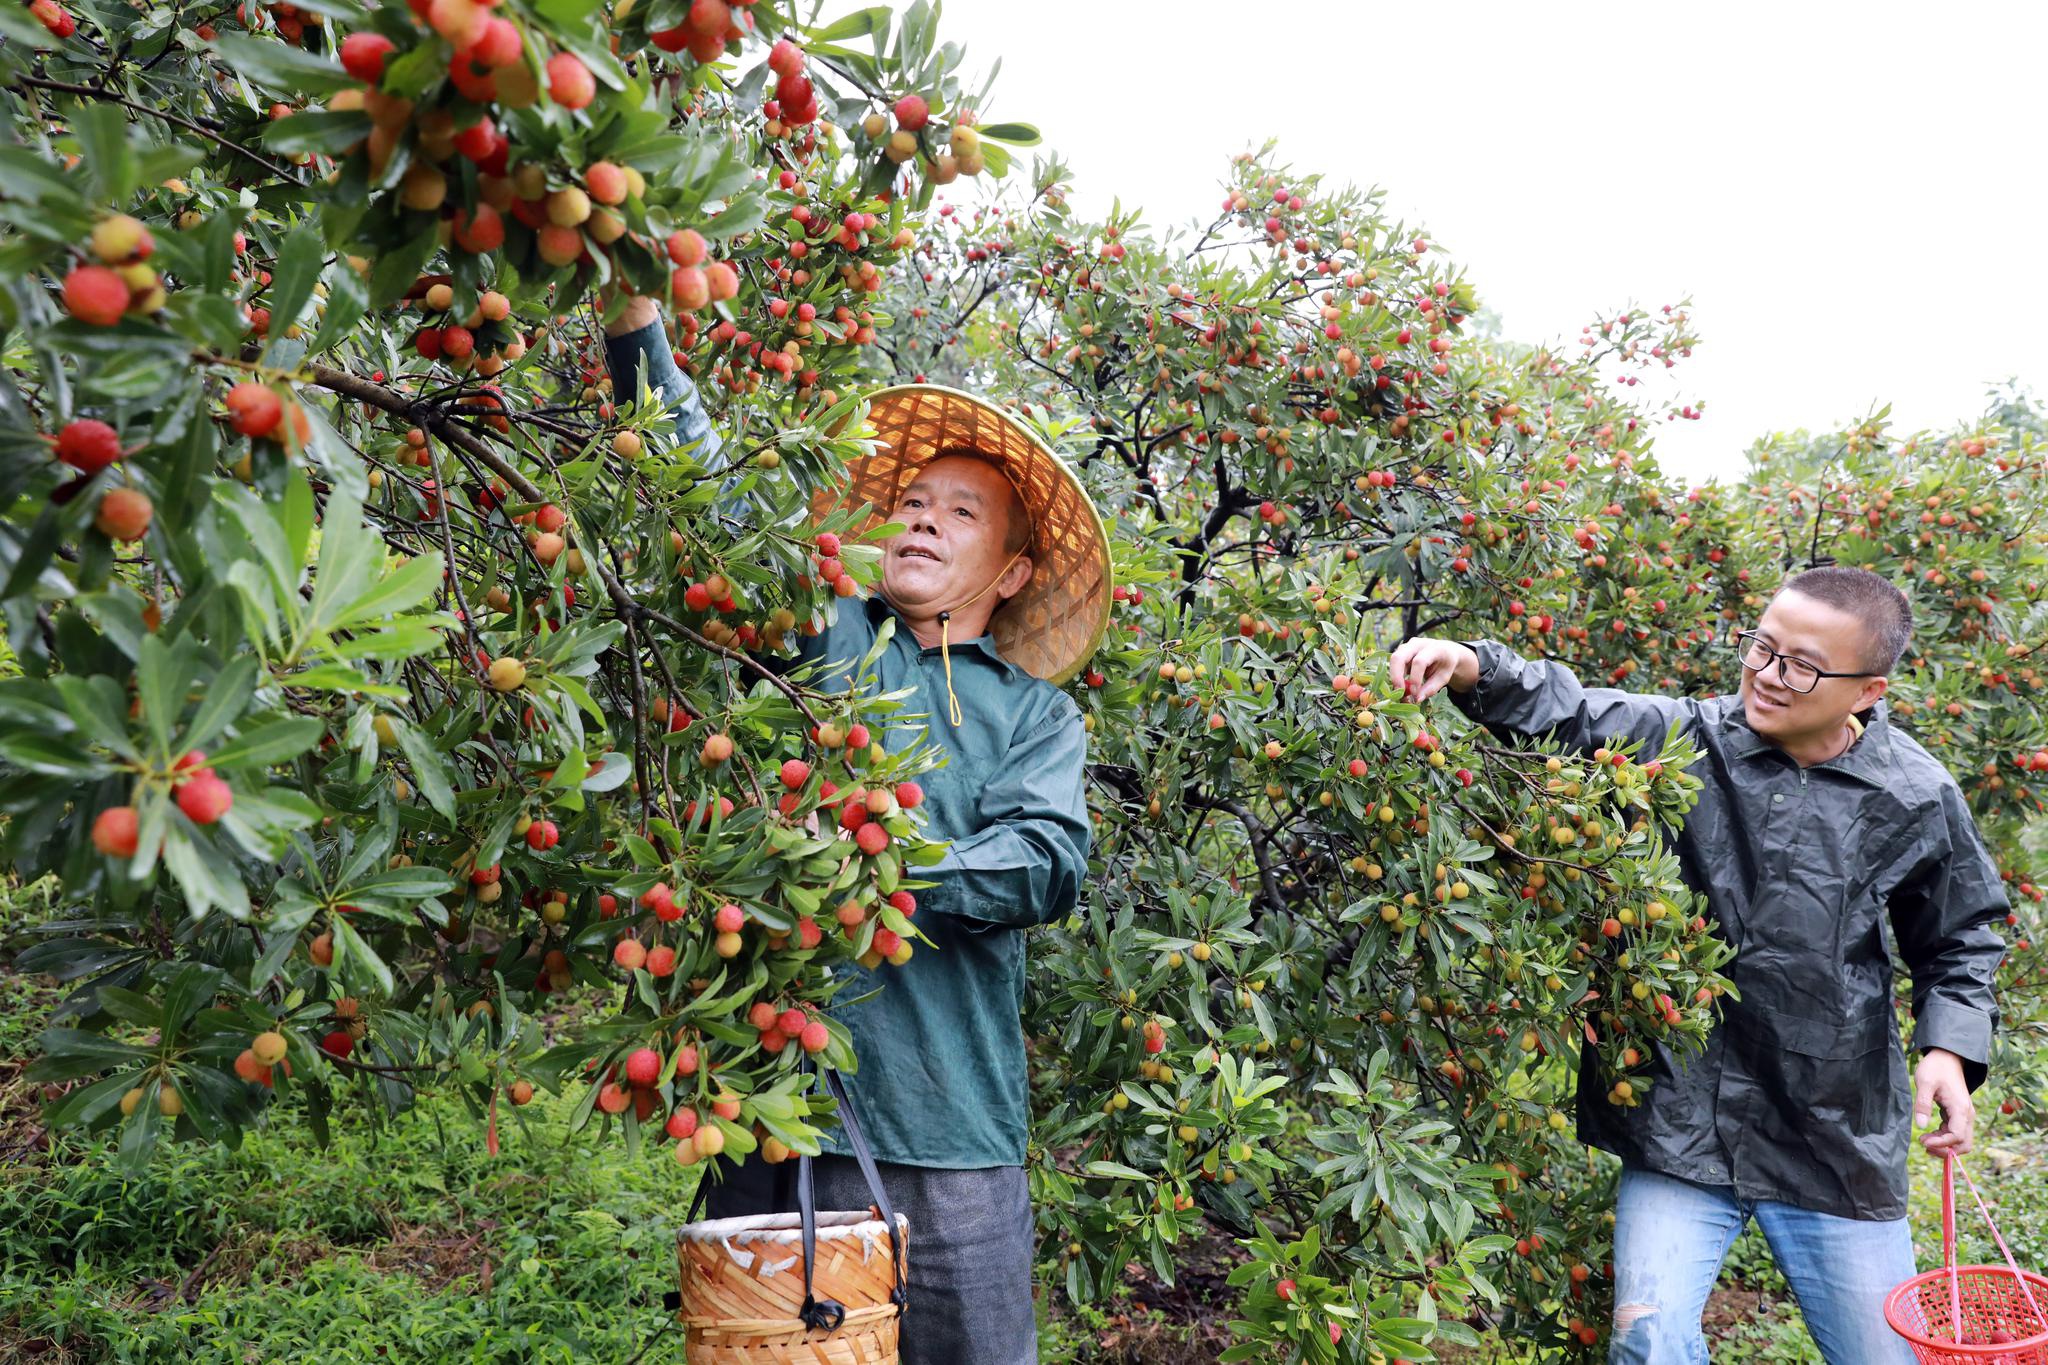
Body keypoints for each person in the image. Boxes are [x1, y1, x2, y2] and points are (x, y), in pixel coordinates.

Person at [604, 299, 1114, 1364]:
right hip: (779, 1117)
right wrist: (637, 332)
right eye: (913, 503)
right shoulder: (830, 636)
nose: (924, 520)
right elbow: (716, 514)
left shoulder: (1034, 715)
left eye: (962, 513)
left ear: (1014, 572)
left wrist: (874, 856)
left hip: (952, 1136)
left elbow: (1043, 864)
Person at [1389, 567, 2008, 1365]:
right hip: (1684, 1117)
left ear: (1867, 689)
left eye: (1802, 665)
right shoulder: (1693, 737)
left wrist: (1949, 1049)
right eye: (1762, 647)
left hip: (1833, 1133)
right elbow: (1578, 711)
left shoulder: (1914, 794)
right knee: (1646, 1340)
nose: (1768, 675)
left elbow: (1961, 933)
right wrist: (1473, 663)